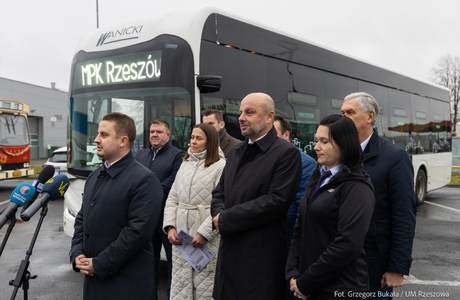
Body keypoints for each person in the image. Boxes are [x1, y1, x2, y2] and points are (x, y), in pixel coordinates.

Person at [211, 92, 302, 300]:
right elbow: (219, 193)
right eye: (240, 112)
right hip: (229, 255)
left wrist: (226, 219)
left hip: (261, 259)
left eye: (250, 112)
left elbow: (275, 202)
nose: (241, 117)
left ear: (269, 117)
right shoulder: (235, 152)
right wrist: (219, 215)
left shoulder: (286, 153)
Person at [70, 112, 163, 300]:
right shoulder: (94, 177)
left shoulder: (144, 180)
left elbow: (137, 232)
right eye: (98, 134)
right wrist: (77, 253)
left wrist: (100, 263)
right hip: (95, 284)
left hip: (127, 286)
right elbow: (82, 219)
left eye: (104, 135)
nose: (96, 139)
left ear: (123, 141)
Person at [286, 114, 375, 300]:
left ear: (344, 144)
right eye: (316, 140)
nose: (316, 147)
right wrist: (293, 271)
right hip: (309, 286)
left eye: (324, 141)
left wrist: (306, 282)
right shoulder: (319, 176)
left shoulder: (357, 186)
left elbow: (347, 245)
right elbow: (300, 229)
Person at [341, 92, 416, 299]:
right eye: (342, 113)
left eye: (350, 112)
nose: (344, 117)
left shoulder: (394, 157)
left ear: (370, 116)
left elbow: (404, 215)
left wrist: (397, 267)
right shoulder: (337, 154)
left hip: (372, 269)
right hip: (336, 266)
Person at [162, 123, 226, 300]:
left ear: (210, 142)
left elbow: (222, 203)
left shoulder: (221, 166)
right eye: (192, 137)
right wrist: (170, 227)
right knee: (180, 285)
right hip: (181, 237)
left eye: (199, 138)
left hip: (207, 238)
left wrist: (205, 233)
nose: (193, 141)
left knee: (205, 287)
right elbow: (172, 198)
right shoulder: (185, 163)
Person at [135, 119, 185, 300]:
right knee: (150, 260)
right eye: (152, 132)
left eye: (159, 132)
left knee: (173, 260)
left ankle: (173, 296)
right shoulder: (140, 156)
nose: (154, 135)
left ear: (168, 135)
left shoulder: (178, 155)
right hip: (146, 217)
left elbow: (174, 181)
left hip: (167, 218)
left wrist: (148, 194)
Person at [273, 114, 316, 247]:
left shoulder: (306, 163)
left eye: (273, 134)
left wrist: (294, 241)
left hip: (286, 238)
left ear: (286, 135)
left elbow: (302, 205)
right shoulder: (264, 159)